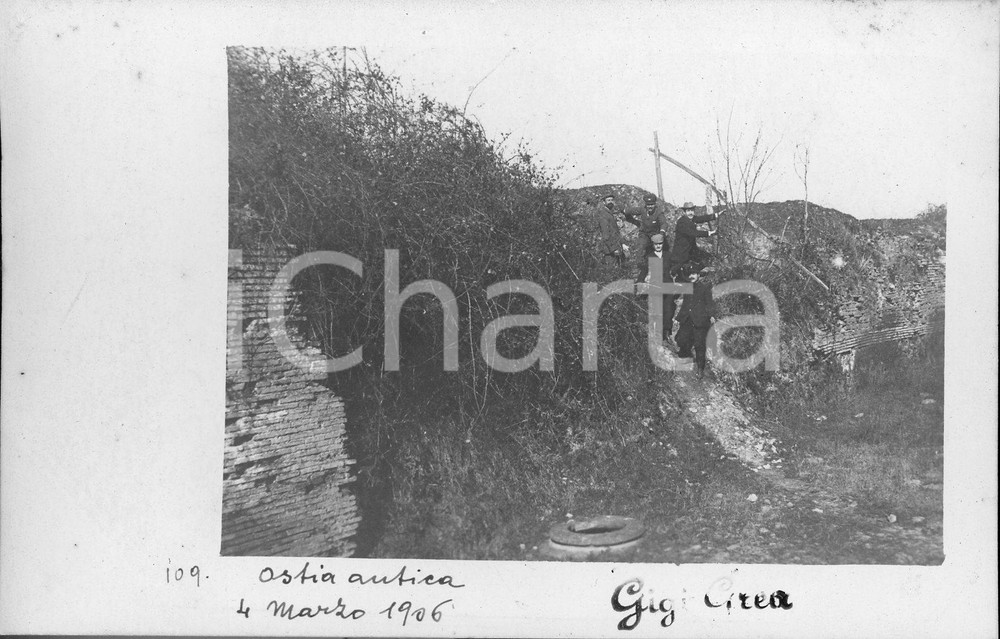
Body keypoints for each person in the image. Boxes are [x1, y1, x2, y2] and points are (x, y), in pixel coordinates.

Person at [675, 267, 718, 379]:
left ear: (698, 275)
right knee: (681, 339)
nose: (691, 276)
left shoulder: (705, 287)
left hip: (700, 320)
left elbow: (709, 303)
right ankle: (685, 357)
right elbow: (684, 302)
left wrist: (711, 315)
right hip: (687, 319)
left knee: (700, 345)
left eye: (693, 273)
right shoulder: (687, 287)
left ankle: (700, 369)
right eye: (689, 274)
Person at [668, 201, 718, 278]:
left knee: (707, 257)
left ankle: (697, 275)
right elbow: (693, 233)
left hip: (691, 250)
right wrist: (710, 233)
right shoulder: (682, 222)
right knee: (677, 271)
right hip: (681, 253)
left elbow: (702, 218)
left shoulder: (691, 219)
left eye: (692, 210)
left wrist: (716, 215)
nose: (690, 213)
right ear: (684, 212)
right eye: (688, 211)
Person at [624, 194, 670, 259]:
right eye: (648, 205)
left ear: (655, 204)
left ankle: (656, 266)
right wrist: (624, 211)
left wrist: (662, 233)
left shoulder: (658, 212)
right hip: (644, 234)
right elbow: (633, 210)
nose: (650, 206)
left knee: (656, 252)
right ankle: (639, 265)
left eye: (652, 205)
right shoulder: (643, 209)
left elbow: (663, 223)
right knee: (640, 248)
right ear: (646, 205)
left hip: (655, 234)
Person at [595, 193, 629, 267]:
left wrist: (622, 243)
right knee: (612, 271)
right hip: (610, 250)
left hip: (615, 247)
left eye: (612, 200)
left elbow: (615, 231)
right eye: (608, 200)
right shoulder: (603, 214)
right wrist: (613, 249)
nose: (610, 202)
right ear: (604, 202)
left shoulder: (609, 213)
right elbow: (606, 234)